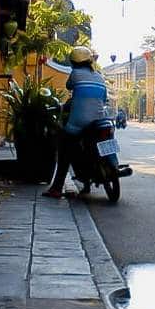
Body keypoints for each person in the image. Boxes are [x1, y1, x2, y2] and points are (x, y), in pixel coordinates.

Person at [43, 46, 107, 199]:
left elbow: (69, 87)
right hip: (100, 120)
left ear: (73, 62)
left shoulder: (75, 74)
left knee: (64, 149)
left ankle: (57, 188)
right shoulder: (99, 76)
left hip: (79, 122)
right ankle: (88, 179)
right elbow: (103, 99)